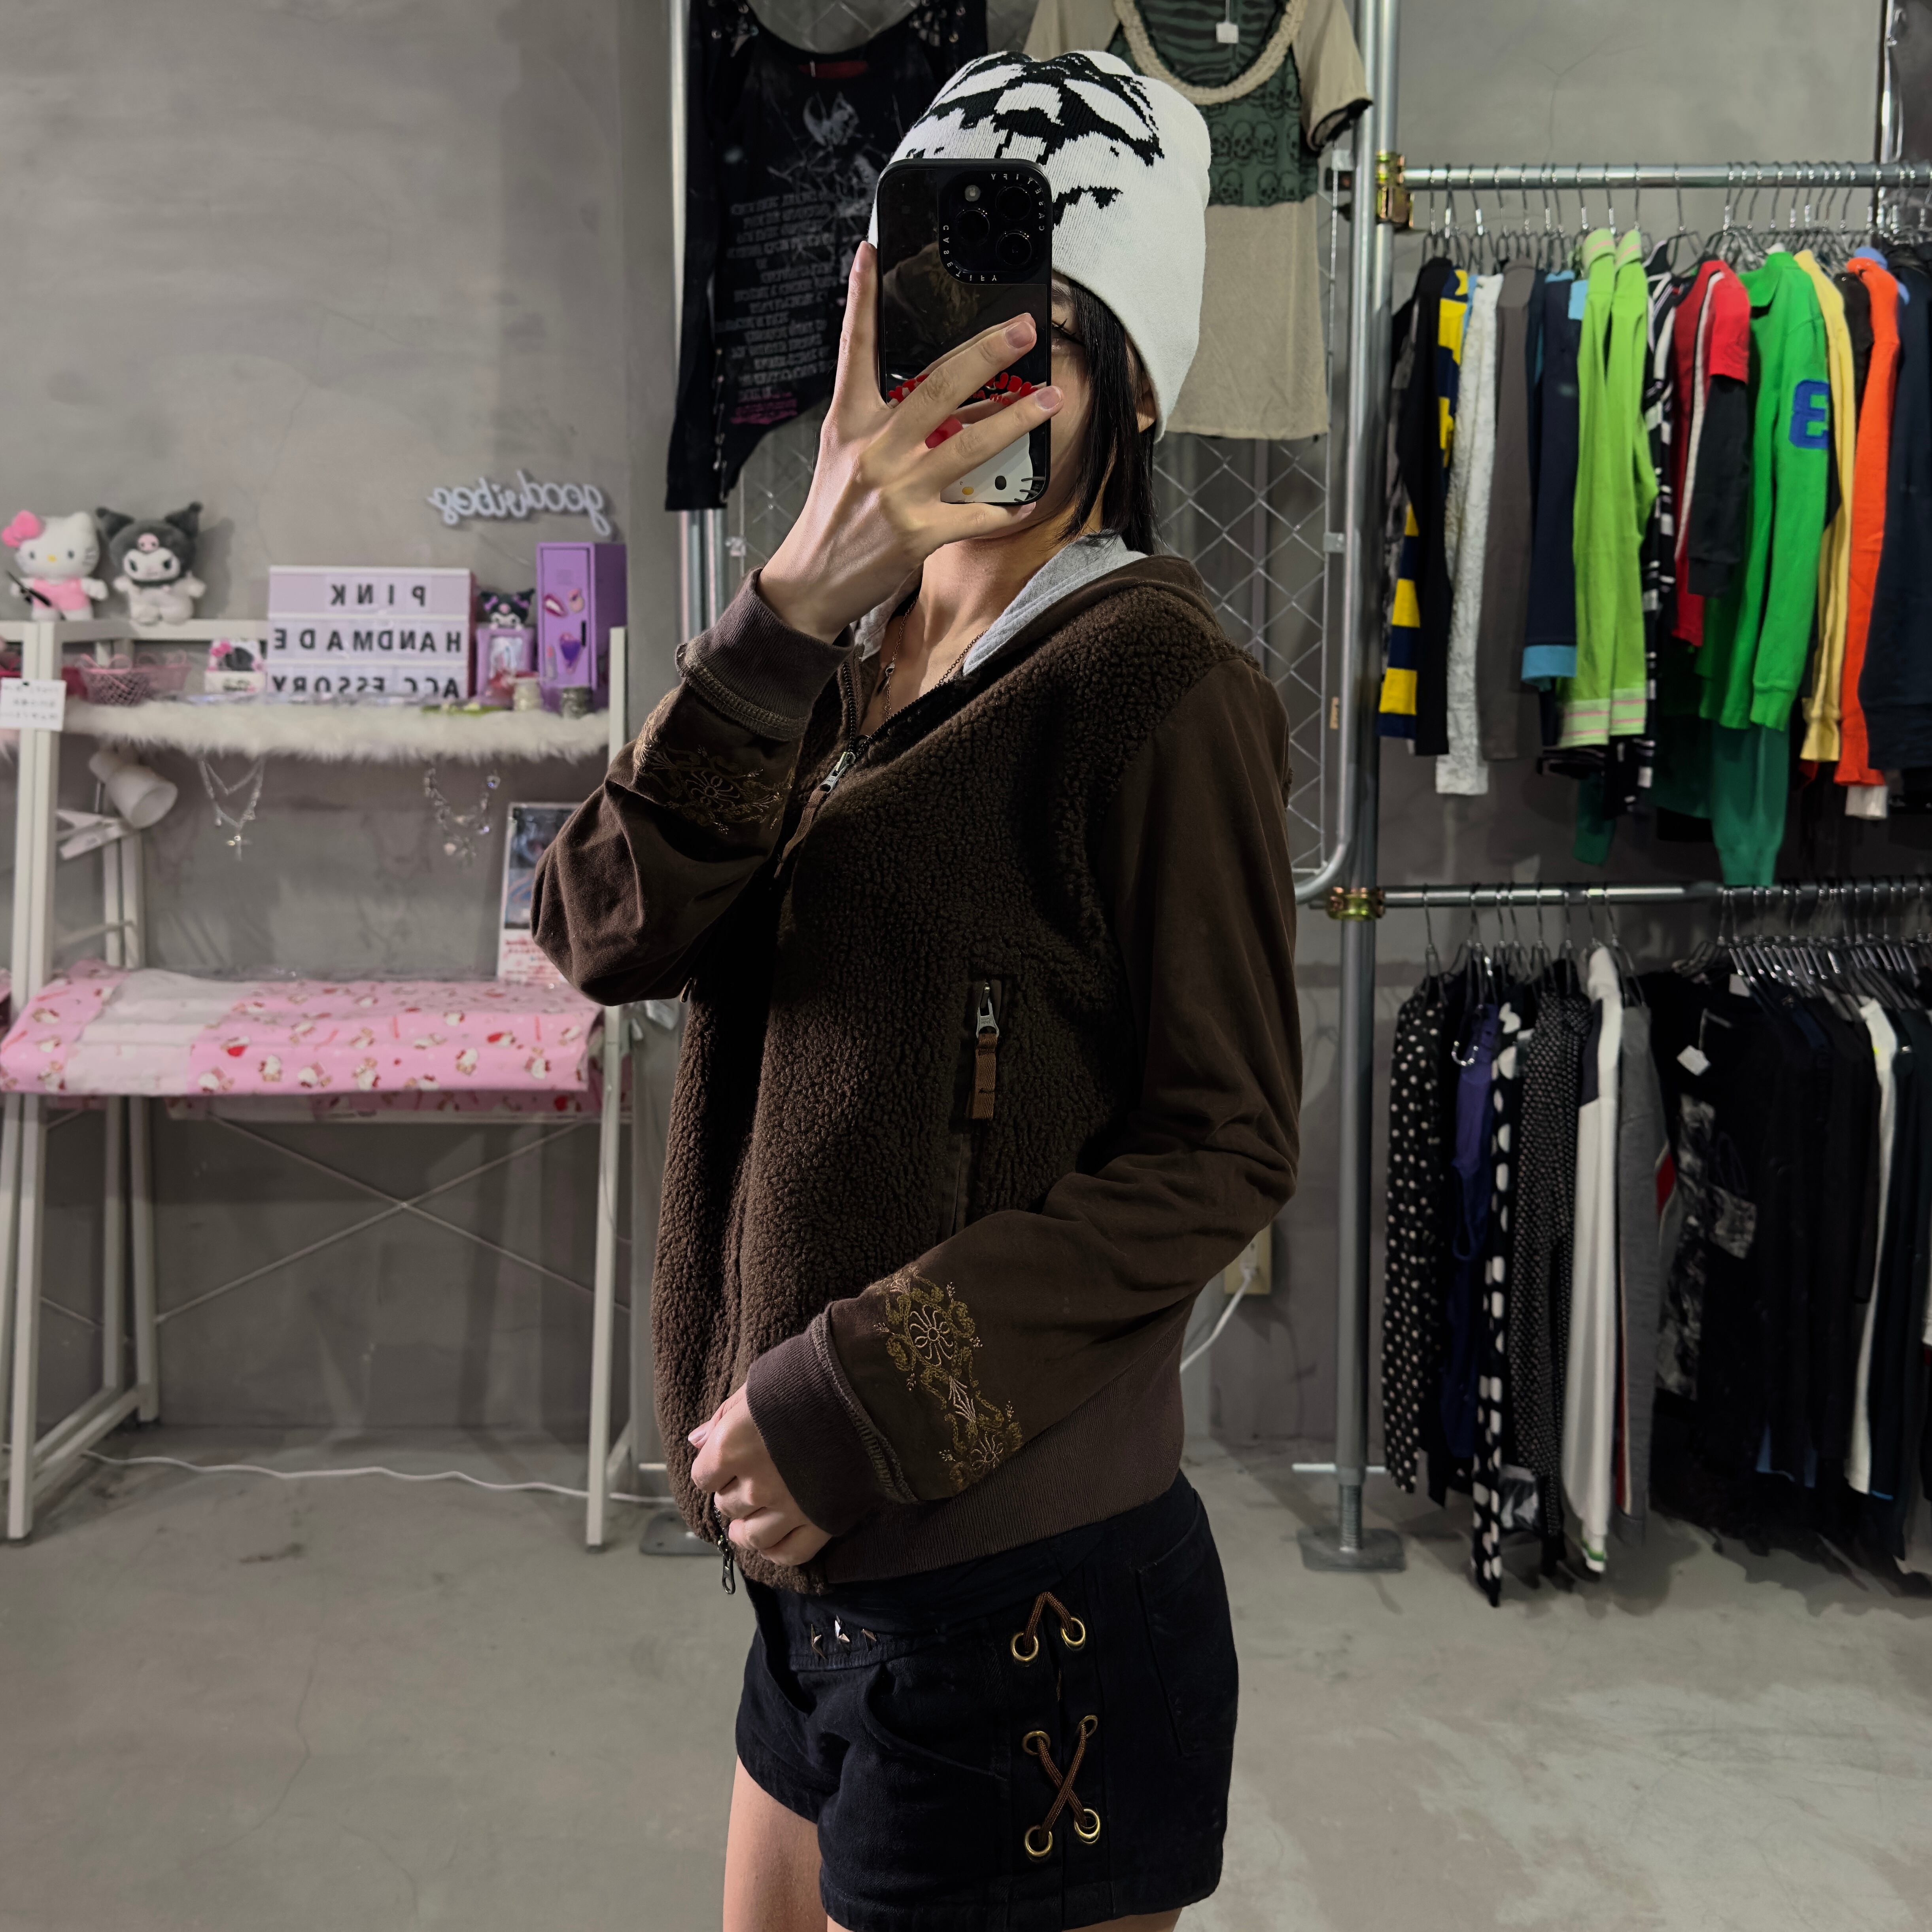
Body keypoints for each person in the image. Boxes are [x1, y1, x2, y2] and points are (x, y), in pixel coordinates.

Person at [534, 49, 1302, 1932]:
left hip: (1025, 1606)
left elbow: (1221, 1149)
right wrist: (787, 607)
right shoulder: (830, 657)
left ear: (1133, 386)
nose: (960, 391)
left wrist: (855, 1398)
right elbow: (603, 930)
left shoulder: (1155, 687)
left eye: (1033, 347)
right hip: (812, 1603)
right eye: (928, 329)